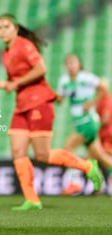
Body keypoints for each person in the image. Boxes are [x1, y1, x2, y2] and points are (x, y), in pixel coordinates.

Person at [0, 13, 103, 211]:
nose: (2, 31)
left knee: (43, 155)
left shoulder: (24, 45)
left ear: (15, 29)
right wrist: (2, 83)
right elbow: (17, 81)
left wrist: (15, 82)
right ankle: (32, 199)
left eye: (6, 26)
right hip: (22, 105)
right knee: (17, 151)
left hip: (39, 102)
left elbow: (41, 69)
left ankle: (88, 166)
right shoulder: (6, 53)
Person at [57, 55, 112, 195]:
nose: (71, 65)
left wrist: (92, 103)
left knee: (67, 149)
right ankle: (99, 180)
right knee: (99, 155)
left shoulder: (85, 77)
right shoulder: (64, 81)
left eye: (73, 62)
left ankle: (75, 182)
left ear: (79, 64)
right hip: (79, 122)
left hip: (88, 121)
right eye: (68, 63)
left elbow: (104, 88)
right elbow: (60, 99)